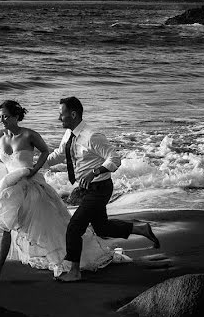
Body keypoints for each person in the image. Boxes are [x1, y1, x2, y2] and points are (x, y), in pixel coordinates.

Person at [0, 100, 117, 278]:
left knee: (50, 228)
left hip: (30, 187)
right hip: (8, 187)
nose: (2, 120)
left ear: (16, 116)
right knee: (4, 225)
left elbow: (46, 152)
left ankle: (66, 261)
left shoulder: (30, 135)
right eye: (0, 117)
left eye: (6, 116)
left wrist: (36, 169)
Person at [44, 96, 160, 282]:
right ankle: (140, 229)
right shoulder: (70, 134)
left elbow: (114, 159)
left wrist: (94, 172)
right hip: (87, 190)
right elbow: (59, 154)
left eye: (61, 114)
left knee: (74, 228)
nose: (59, 118)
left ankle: (74, 271)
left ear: (73, 114)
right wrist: (37, 163)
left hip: (99, 188)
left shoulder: (92, 136)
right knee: (102, 228)